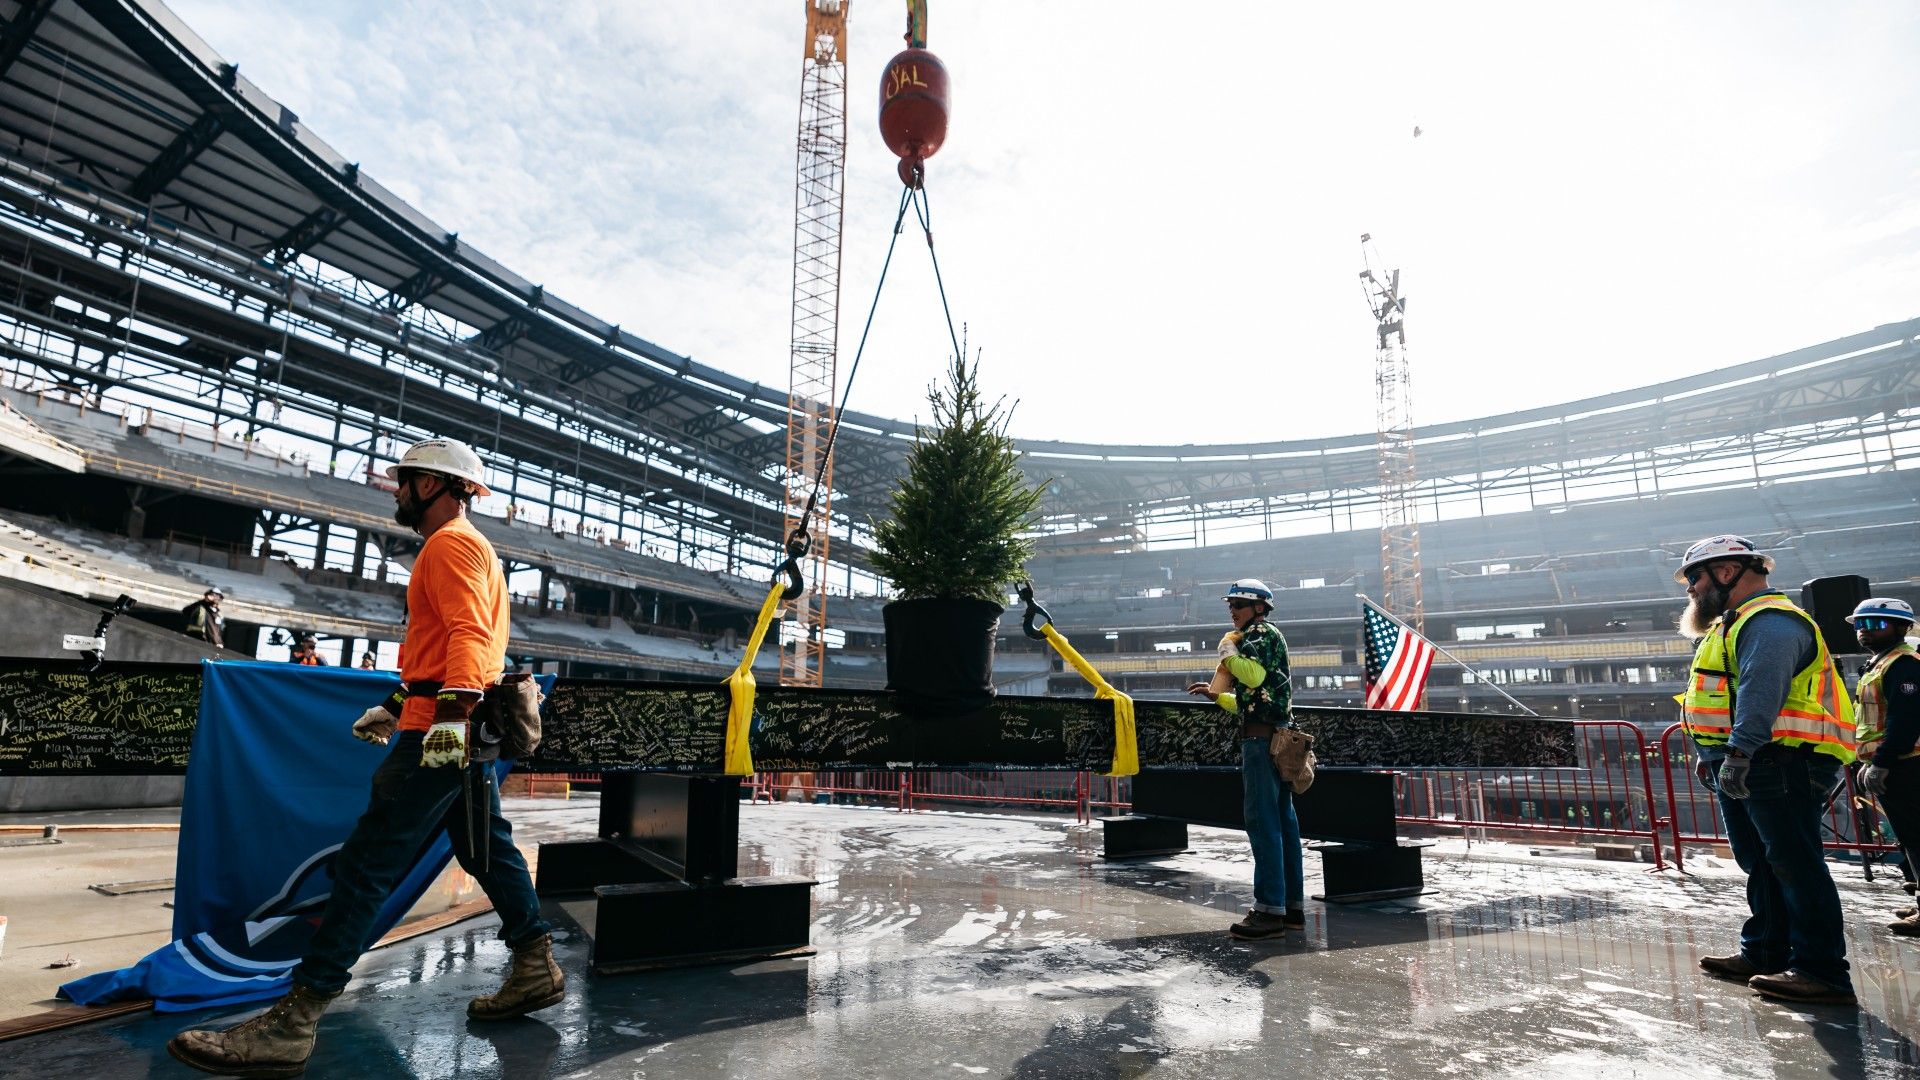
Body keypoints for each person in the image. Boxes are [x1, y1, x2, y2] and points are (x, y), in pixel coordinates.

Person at [168, 437, 561, 1077]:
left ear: (435, 485)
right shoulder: (465, 546)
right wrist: (397, 698)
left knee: (367, 863)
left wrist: (446, 727)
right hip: (443, 718)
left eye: (406, 480)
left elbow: (468, 637)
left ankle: (295, 1021)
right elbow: (443, 646)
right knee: (484, 844)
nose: (397, 490)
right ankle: (534, 961)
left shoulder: (450, 544)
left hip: (443, 730)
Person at [1677, 534, 1857, 1006]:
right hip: (1745, 759)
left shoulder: (1771, 621)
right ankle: (1765, 953)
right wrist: (1710, 752)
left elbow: (1762, 691)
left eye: (1695, 577)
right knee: (1760, 860)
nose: (1691, 589)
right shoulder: (1732, 623)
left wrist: (1738, 751)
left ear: (1728, 572)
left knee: (1795, 864)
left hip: (1777, 759)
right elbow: (1723, 695)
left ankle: (1822, 971)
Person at [1187, 577, 1302, 940]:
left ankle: (1268, 912)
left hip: (1261, 743)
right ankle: (1290, 909)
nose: (1231, 611)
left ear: (1258, 607)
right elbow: (1253, 698)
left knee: (1262, 821)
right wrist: (1216, 695)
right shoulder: (1266, 636)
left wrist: (1226, 651)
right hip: (1276, 737)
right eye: (1230, 605)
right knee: (1283, 824)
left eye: (1238, 605)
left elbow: (1253, 674)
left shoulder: (1258, 635)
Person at [1847, 599, 1920, 935]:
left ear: (1902, 627)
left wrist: (1882, 762)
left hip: (1907, 764)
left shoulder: (1904, 664)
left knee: (1917, 837)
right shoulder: (1879, 663)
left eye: (1877, 624)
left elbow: (1904, 720)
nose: (1865, 630)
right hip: (1895, 763)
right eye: (1861, 623)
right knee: (1908, 837)